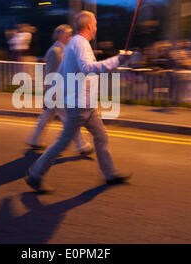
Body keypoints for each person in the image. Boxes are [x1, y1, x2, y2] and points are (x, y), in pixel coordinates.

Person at [25, 11, 132, 193]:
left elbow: (61, 71)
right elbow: (88, 68)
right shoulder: (80, 44)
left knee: (101, 137)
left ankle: (110, 174)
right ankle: (35, 174)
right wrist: (118, 60)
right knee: (63, 142)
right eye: (95, 24)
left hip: (86, 104)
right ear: (89, 26)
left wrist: (52, 94)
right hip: (79, 104)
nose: (96, 27)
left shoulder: (75, 43)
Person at [26, 24, 93, 155]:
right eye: (67, 34)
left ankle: (33, 140)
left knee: (47, 117)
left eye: (70, 34)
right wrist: (50, 93)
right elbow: (51, 74)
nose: (70, 37)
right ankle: (82, 145)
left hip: (61, 91)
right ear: (59, 35)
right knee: (69, 119)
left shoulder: (64, 49)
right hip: (57, 92)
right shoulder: (55, 51)